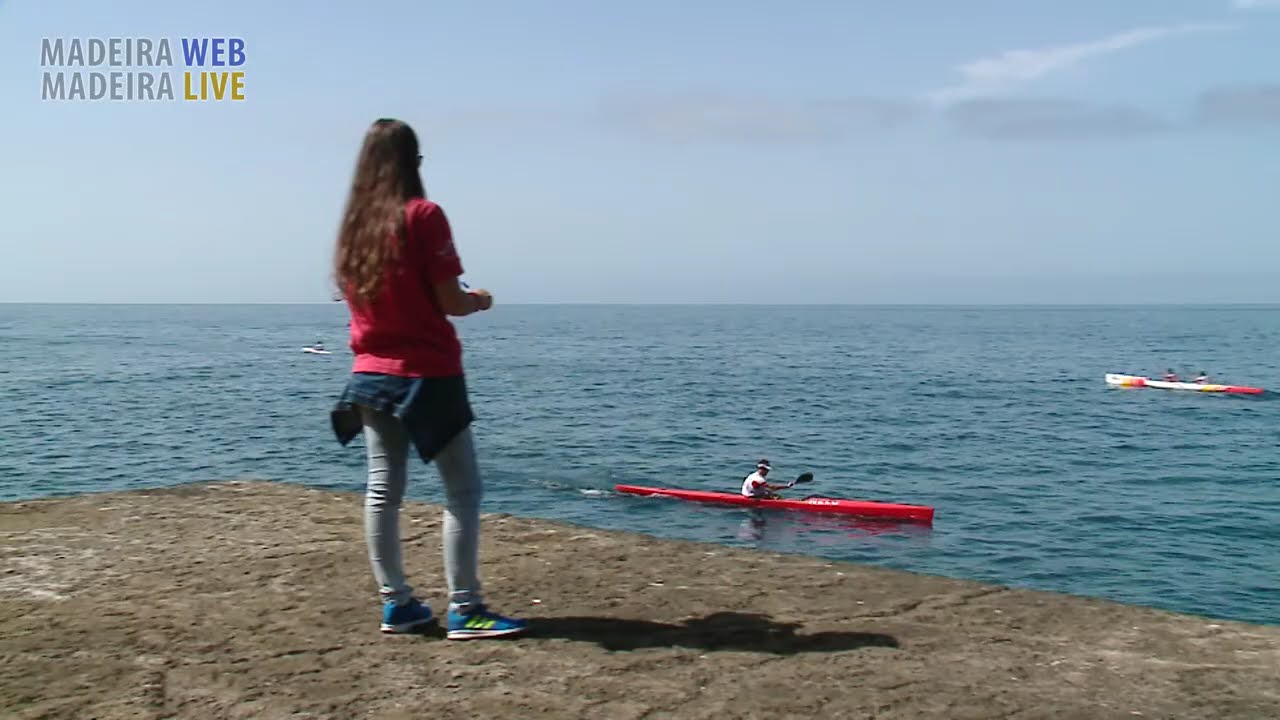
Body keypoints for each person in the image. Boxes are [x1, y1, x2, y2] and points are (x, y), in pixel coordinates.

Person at [328, 118, 526, 641]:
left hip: (370, 374)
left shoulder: (354, 230)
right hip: (427, 373)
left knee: (382, 490)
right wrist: (478, 300)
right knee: (463, 489)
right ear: (411, 164)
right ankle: (466, 608)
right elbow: (450, 301)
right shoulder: (423, 215)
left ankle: (397, 604)